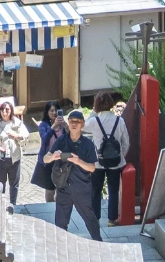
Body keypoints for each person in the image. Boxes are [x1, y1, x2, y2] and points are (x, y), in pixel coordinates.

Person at [46, 108, 102, 241]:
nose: (74, 124)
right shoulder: (62, 140)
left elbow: (92, 168)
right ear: (68, 123)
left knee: (90, 218)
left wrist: (78, 161)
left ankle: (98, 242)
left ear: (82, 124)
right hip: (63, 187)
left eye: (77, 121)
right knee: (60, 223)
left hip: (81, 188)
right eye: (71, 121)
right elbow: (45, 158)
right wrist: (53, 157)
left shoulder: (87, 144)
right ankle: (60, 246)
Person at [83, 93, 129, 225]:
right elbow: (126, 142)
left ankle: (95, 219)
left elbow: (83, 126)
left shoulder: (94, 121)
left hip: (98, 162)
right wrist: (121, 155)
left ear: (96, 105)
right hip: (115, 162)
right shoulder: (120, 121)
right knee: (113, 190)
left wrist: (93, 111)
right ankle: (111, 220)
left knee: (95, 190)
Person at [0, 98, 31, 208]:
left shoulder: (17, 123)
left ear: (11, 110)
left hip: (14, 158)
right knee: (0, 184)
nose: (4, 112)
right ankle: (0, 205)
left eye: (7, 109)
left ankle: (13, 204)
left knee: (14, 184)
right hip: (1, 158)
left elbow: (26, 136)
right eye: (2, 109)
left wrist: (16, 136)